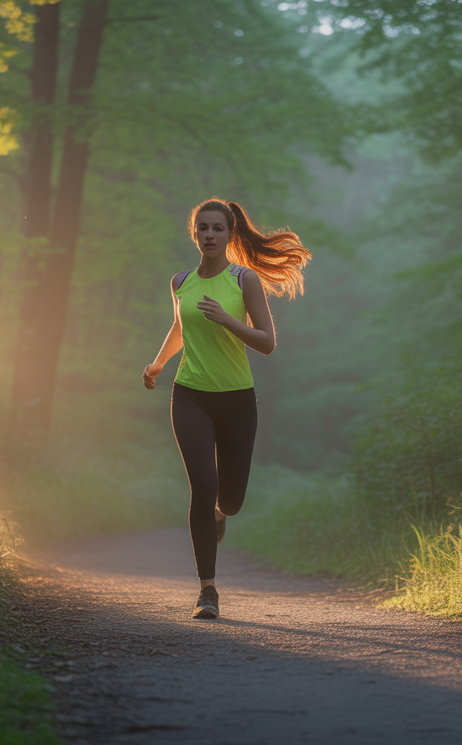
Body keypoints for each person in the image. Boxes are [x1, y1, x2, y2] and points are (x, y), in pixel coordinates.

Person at [141, 198, 309, 619]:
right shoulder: (180, 281)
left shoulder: (243, 280)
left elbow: (267, 342)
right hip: (190, 395)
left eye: (218, 228)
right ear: (193, 233)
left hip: (237, 400)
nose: (210, 235)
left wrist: (227, 321)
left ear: (230, 235)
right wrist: (159, 363)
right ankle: (207, 591)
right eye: (203, 228)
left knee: (230, 500)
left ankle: (221, 514)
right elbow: (180, 326)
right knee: (203, 485)